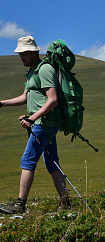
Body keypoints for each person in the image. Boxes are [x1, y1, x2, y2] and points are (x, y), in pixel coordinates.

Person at [0, 36, 70, 214]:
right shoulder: (32, 71)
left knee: (28, 160)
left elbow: (52, 100)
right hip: (43, 122)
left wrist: (32, 118)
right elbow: (25, 97)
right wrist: (2, 103)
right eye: (19, 54)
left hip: (44, 123)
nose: (20, 57)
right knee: (52, 163)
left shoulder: (44, 69)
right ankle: (66, 202)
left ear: (33, 52)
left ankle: (20, 204)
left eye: (23, 54)